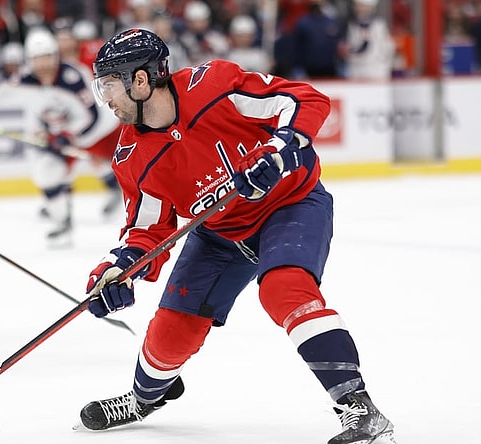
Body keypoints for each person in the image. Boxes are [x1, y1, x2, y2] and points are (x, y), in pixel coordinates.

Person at [77, 29, 396, 444]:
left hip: (290, 204)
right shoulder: (131, 157)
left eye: (110, 85)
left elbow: (304, 100)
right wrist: (119, 270)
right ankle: (143, 399)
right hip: (218, 236)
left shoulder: (213, 86)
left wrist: (282, 149)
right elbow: (147, 230)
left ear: (140, 80)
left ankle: (360, 409)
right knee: (172, 333)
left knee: (285, 288)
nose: (107, 98)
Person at [0, 28, 122, 248]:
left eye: (47, 56)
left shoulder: (72, 77)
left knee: (115, 164)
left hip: (101, 130)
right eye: (37, 59)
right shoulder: (25, 78)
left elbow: (92, 116)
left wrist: (67, 135)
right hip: (65, 135)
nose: (43, 64)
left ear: (55, 55)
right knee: (47, 173)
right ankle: (62, 220)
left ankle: (113, 187)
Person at [343, 0, 394, 80]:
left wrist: (382, 61)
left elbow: (387, 46)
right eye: (357, 6)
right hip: (356, 68)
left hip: (375, 69)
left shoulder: (379, 24)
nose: (359, 8)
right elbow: (350, 45)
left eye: (362, 6)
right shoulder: (352, 24)